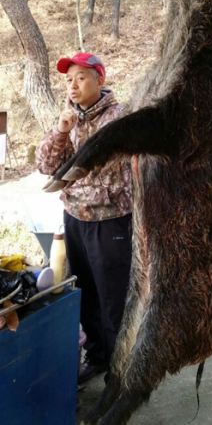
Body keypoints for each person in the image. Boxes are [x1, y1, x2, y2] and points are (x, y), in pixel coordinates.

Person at [35, 52, 132, 384]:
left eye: (80, 77)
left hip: (111, 220)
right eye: (68, 79)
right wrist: (62, 130)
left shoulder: (119, 118)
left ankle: (121, 368)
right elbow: (46, 166)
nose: (72, 85)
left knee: (113, 297)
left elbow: (113, 162)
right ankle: (97, 356)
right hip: (75, 216)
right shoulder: (69, 118)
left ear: (99, 81)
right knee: (86, 292)